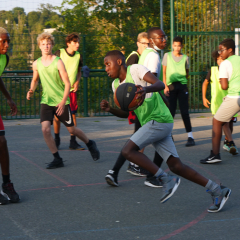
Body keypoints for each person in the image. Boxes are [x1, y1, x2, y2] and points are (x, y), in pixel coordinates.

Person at [101, 50, 231, 213]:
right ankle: (218, 190)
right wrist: (111, 109)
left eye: (107, 64)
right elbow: (127, 112)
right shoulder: (116, 86)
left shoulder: (135, 70)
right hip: (153, 124)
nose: (106, 68)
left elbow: (160, 84)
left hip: (160, 119)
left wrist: (145, 90)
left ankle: (165, 178)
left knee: (128, 150)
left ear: (119, 62)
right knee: (176, 166)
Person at [26, 32, 100, 169]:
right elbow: (35, 80)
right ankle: (57, 158)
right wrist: (31, 90)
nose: (46, 46)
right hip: (46, 101)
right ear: (39, 46)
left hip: (61, 100)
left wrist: (63, 101)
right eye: (43, 44)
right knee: (45, 130)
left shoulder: (58, 62)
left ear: (52, 45)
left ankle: (90, 143)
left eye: (48, 43)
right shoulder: (36, 64)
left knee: (72, 130)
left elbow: (67, 83)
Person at [200, 38, 240, 164]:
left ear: (230, 50)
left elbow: (224, 86)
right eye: (219, 50)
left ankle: (215, 155)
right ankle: (228, 143)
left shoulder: (225, 64)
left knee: (217, 121)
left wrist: (225, 82)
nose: (220, 52)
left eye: (222, 50)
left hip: (234, 96)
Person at [53, 33, 85, 150]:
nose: (77, 44)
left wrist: (77, 82)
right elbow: (53, 70)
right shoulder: (59, 53)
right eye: (75, 42)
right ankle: (56, 139)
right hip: (59, 90)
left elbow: (79, 71)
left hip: (71, 90)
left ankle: (73, 141)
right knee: (57, 116)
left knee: (73, 115)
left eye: (78, 42)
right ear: (68, 43)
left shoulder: (78, 56)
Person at [162, 36, 195, 147]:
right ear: (172, 45)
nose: (177, 48)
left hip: (182, 86)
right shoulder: (167, 56)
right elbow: (164, 72)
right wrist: (165, 86)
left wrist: (183, 83)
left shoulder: (185, 58)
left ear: (181, 46)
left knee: (184, 112)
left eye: (179, 45)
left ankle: (190, 136)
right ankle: (168, 136)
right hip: (170, 87)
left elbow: (187, 72)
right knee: (170, 112)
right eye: (175, 45)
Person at [0, 27, 20, 204]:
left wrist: (9, 98)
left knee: (2, 142)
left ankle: (6, 184)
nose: (7, 45)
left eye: (8, 41)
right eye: (3, 41)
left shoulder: (4, 58)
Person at [126, 32, 149, 177]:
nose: (146, 46)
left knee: (141, 131)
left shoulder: (142, 57)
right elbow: (130, 77)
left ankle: (133, 162)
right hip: (135, 98)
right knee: (141, 132)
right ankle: (133, 162)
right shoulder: (134, 57)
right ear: (138, 43)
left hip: (140, 98)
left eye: (148, 44)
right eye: (144, 43)